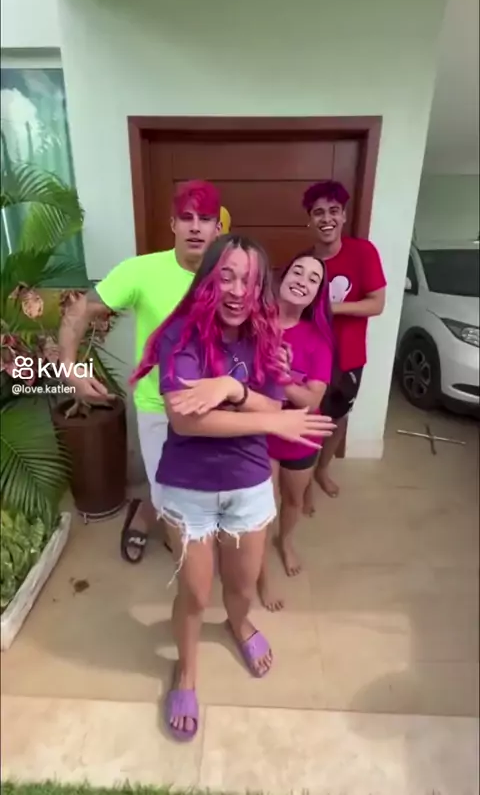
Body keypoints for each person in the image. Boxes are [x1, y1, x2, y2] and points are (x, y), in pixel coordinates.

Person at [130, 233, 334, 741]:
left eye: (249, 280)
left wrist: (232, 388)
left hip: (248, 487)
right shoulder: (180, 334)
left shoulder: (265, 337)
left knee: (242, 587)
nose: (238, 290)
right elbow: (186, 420)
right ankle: (187, 673)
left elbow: (277, 404)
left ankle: (239, 625)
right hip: (189, 491)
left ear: (261, 286)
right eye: (226, 276)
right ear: (208, 280)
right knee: (196, 593)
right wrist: (267, 419)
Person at [58, 180, 224, 562]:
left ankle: (157, 520)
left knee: (204, 491)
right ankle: (163, 531)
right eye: (186, 217)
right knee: (168, 494)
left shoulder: (229, 274)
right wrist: (69, 367)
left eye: (204, 218)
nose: (195, 227)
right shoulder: (141, 271)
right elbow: (80, 309)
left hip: (213, 406)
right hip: (157, 407)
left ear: (218, 227)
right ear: (173, 224)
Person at [302, 180, 386, 507]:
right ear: (309, 219)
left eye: (333, 211)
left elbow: (376, 304)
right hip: (310, 359)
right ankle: (303, 483)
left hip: (349, 357)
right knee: (308, 420)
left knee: (337, 418)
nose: (327, 218)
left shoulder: (363, 252)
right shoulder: (305, 262)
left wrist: (329, 308)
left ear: (344, 215)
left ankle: (322, 469)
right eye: (318, 212)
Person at [258, 251, 334, 611]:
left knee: (292, 501)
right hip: (258, 432)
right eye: (297, 271)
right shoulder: (253, 323)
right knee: (262, 510)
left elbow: (311, 400)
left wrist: (284, 378)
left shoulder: (318, 340)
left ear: (317, 294)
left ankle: (285, 542)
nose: (303, 280)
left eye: (313, 278)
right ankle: (261, 577)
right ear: (282, 278)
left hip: (300, 435)